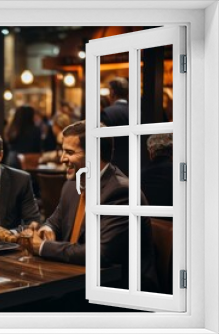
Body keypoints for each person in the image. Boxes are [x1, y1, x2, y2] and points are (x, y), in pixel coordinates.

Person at [32, 121, 159, 292]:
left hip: (118, 289)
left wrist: (43, 247)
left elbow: (100, 254)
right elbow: (54, 221)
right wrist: (47, 229)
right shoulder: (72, 185)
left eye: (69, 152)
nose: (62, 159)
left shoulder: (122, 192)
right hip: (76, 278)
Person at [101, 77, 129, 175]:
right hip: (136, 163)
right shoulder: (138, 112)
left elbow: (103, 144)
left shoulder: (107, 113)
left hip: (114, 166)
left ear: (112, 92)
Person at [141, 133, 173, 209]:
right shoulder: (178, 172)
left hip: (147, 219)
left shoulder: (140, 174)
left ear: (150, 152)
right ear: (172, 150)